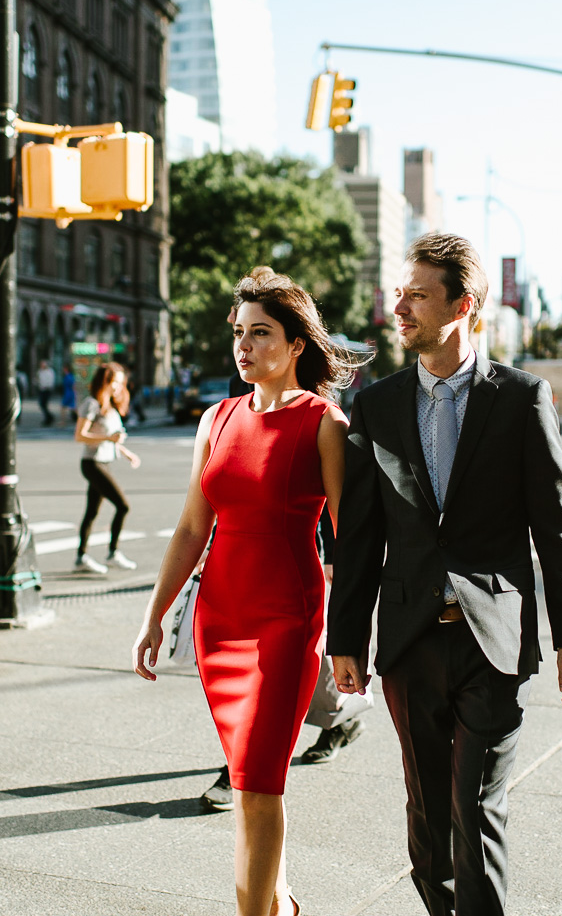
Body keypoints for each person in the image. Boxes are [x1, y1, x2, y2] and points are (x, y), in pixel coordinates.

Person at [329, 233, 562, 916]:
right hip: (411, 641)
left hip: (494, 639)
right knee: (429, 817)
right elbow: (358, 535)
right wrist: (346, 639)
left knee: (476, 809)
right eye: (400, 292)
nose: (400, 306)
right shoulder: (378, 404)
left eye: (417, 294)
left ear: (463, 304)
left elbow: (555, 524)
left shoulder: (521, 399)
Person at [132, 267, 361, 916]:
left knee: (258, 786)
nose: (244, 345)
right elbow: (190, 527)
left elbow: (349, 541)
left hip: (287, 624)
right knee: (247, 781)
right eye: (239, 332)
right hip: (218, 621)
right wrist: (154, 617)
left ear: (296, 345)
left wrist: (348, 638)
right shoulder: (218, 417)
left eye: (261, 333)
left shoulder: (323, 422)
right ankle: (281, 904)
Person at [73, 363, 141, 574]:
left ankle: (81, 557)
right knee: (123, 506)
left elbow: (114, 439)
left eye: (121, 383)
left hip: (104, 462)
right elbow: (79, 436)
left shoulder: (110, 407)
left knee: (91, 511)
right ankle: (112, 553)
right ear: (105, 382)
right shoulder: (91, 405)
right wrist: (108, 438)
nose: (119, 387)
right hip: (92, 463)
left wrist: (126, 453)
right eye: (115, 383)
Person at [36, 358, 56, 426]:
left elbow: (50, 381)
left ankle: (49, 417)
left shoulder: (50, 371)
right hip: (41, 389)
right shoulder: (40, 371)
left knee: (44, 404)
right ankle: (49, 417)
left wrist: (48, 386)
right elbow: (38, 379)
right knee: (42, 404)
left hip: (47, 389)